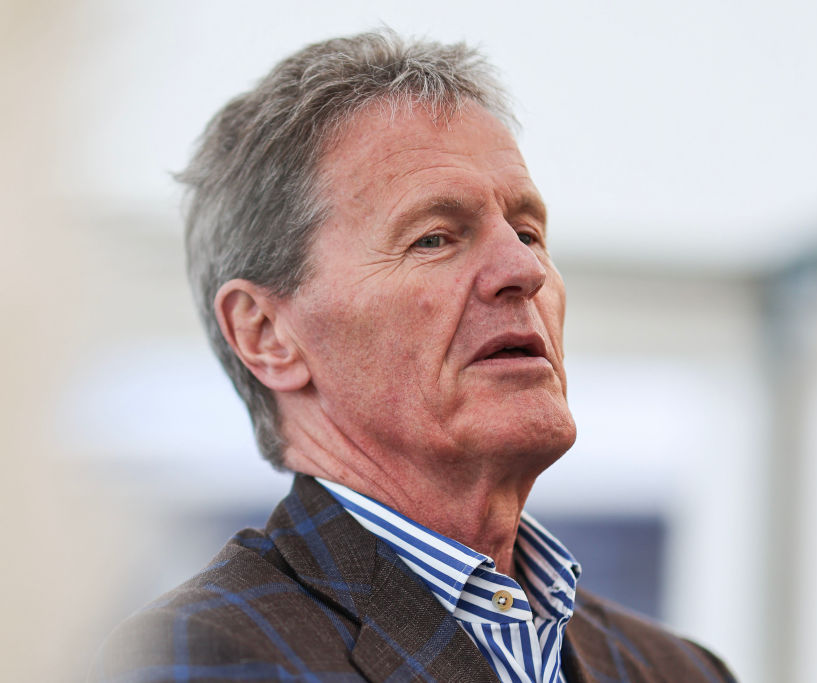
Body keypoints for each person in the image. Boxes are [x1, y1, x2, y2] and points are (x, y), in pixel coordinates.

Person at [92, 30, 736, 683]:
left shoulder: (683, 671)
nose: (524, 270)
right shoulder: (201, 656)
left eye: (527, 233)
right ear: (266, 335)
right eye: (434, 238)